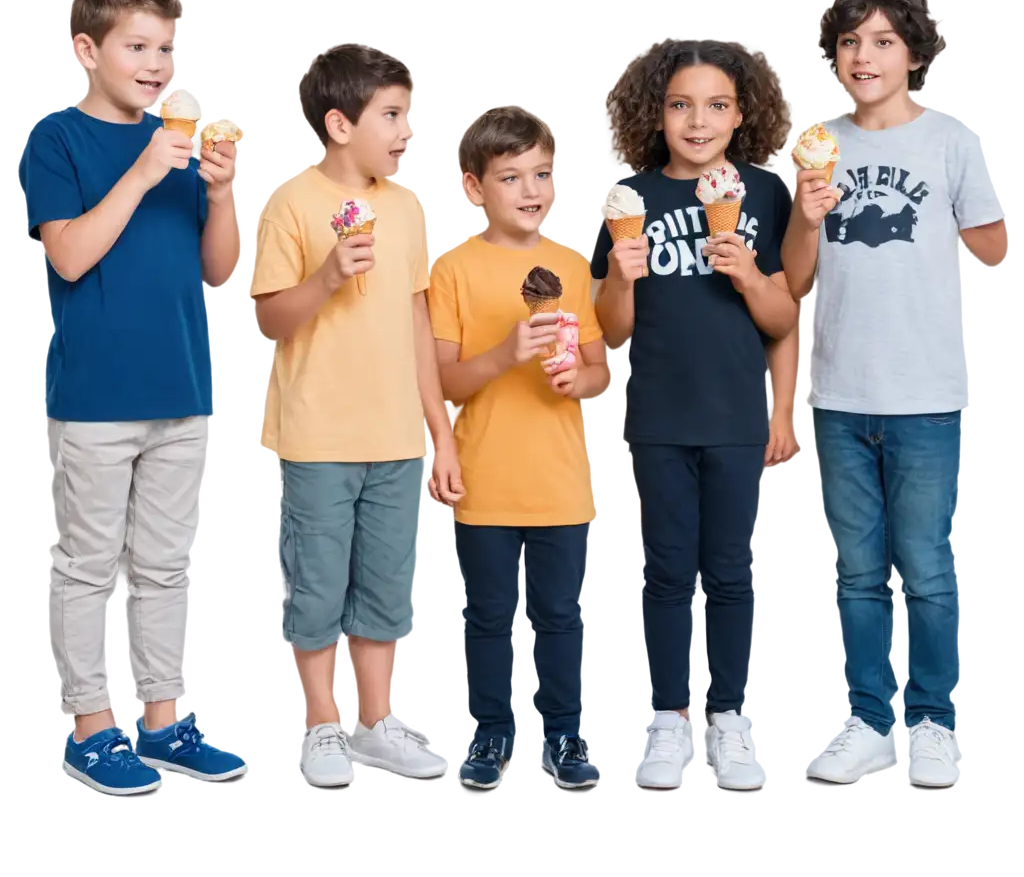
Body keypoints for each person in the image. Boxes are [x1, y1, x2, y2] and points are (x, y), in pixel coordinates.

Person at [22, 0, 247, 795]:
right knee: (87, 566)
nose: (156, 63)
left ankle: (162, 724)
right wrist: (149, 171)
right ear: (87, 50)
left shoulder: (179, 143)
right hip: (94, 399)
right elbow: (70, 254)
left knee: (163, 568)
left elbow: (221, 275)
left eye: (167, 49)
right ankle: (90, 728)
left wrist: (220, 196)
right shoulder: (59, 138)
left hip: (181, 390)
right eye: (138, 45)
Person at [783, 0, 1009, 789]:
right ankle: (869, 720)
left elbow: (990, 241)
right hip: (840, 397)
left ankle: (936, 723)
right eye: (849, 42)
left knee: (930, 570)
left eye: (882, 40)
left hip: (926, 397)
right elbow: (796, 277)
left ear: (914, 55)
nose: (864, 55)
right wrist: (807, 216)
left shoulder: (950, 141)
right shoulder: (818, 143)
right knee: (857, 574)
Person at [249, 43, 464, 789]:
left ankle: (375, 723)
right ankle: (323, 727)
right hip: (319, 438)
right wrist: (328, 275)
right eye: (392, 116)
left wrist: (439, 433)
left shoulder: (404, 206)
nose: (407, 131)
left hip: (398, 438)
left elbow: (414, 321)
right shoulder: (291, 201)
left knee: (384, 587)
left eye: (410, 115)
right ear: (340, 124)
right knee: (315, 587)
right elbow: (269, 318)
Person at [592, 40, 799, 792]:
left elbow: (782, 316)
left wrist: (748, 272)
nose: (698, 119)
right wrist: (620, 276)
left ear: (741, 115)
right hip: (658, 412)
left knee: (733, 569)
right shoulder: (628, 195)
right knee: (668, 569)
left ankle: (733, 718)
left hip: (736, 411)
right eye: (681, 104)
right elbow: (612, 327)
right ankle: (668, 718)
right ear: (659, 113)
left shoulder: (766, 194)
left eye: (716, 105)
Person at [428, 107, 608, 791]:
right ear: (474, 187)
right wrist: (506, 352)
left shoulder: (565, 263)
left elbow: (597, 370)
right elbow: (446, 378)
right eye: (512, 177)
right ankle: (490, 736)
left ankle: (564, 734)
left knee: (562, 615)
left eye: (542, 174)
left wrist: (576, 377)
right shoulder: (451, 268)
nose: (532, 190)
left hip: (559, 481)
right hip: (486, 482)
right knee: (489, 618)